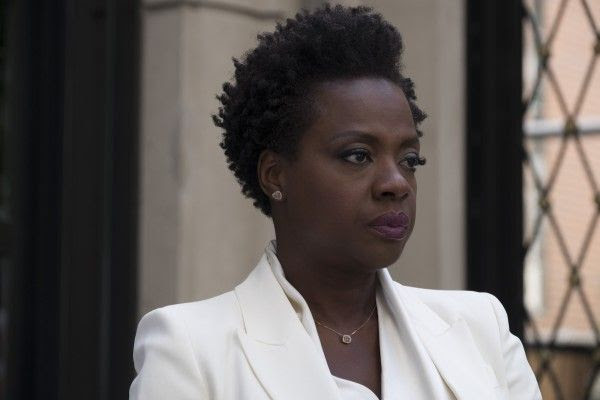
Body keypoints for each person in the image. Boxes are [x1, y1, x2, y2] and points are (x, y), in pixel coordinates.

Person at [129, 4, 541, 399]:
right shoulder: (192, 349)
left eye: (409, 160)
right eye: (358, 156)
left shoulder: (479, 329)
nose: (396, 183)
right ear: (275, 174)